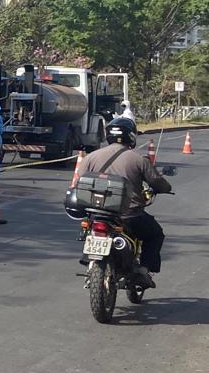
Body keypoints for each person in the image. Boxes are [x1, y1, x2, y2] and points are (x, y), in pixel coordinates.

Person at [73, 117, 171, 287]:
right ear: (131, 136)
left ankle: (89, 260)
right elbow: (158, 183)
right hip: (129, 215)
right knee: (155, 235)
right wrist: (164, 188)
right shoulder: (138, 160)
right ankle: (143, 270)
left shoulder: (91, 157)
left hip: (96, 214)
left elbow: (79, 181)